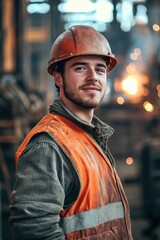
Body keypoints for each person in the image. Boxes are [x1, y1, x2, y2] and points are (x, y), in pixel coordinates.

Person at [9, 25, 133, 240]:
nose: (93, 76)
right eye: (80, 68)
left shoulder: (87, 136)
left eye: (100, 69)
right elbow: (36, 231)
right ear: (58, 78)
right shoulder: (48, 145)